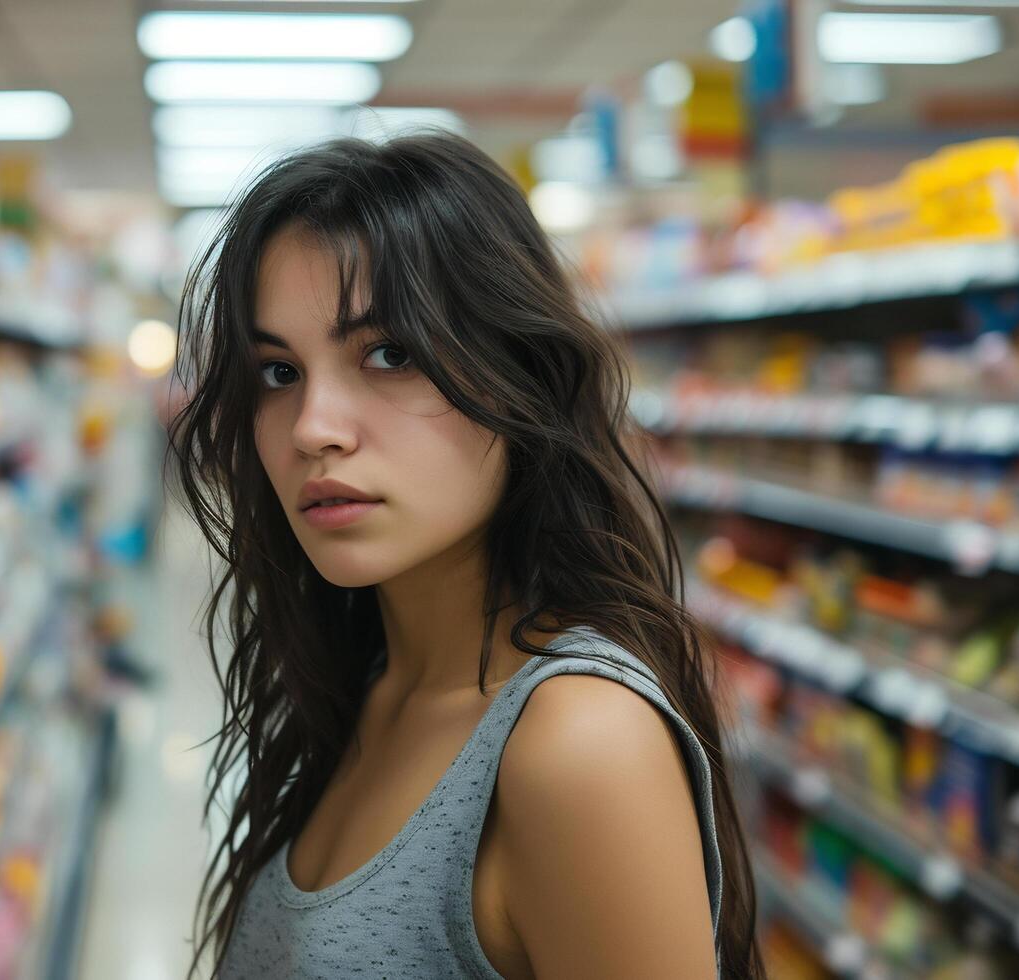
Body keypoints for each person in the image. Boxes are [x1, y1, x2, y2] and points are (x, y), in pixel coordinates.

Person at [167, 132, 762, 979]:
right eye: (278, 372)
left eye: (390, 354)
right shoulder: (361, 680)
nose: (312, 428)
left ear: (516, 372)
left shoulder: (577, 746)